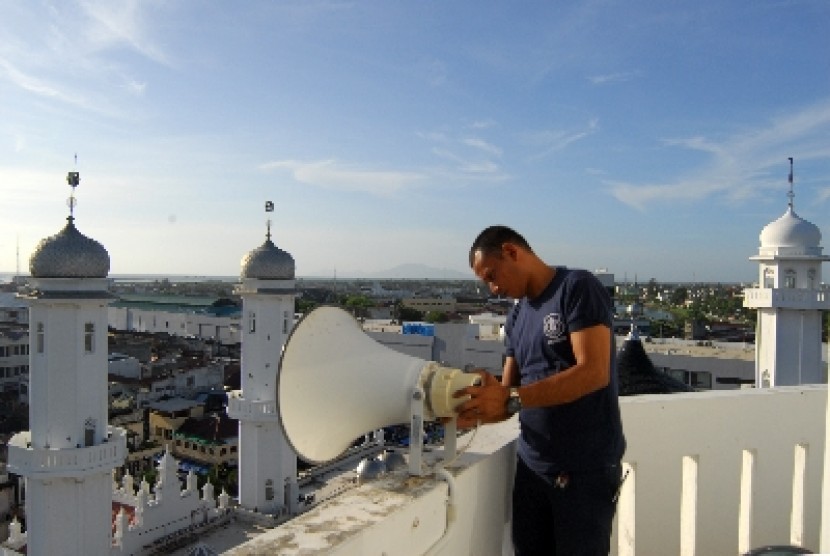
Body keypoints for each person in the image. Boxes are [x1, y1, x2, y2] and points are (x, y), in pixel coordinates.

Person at [455, 225, 626, 556]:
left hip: (582, 471)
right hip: (533, 468)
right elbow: (507, 394)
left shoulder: (576, 287)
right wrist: (473, 409)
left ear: (512, 252)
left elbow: (593, 372)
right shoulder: (517, 316)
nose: (493, 289)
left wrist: (513, 398)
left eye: (492, 275)